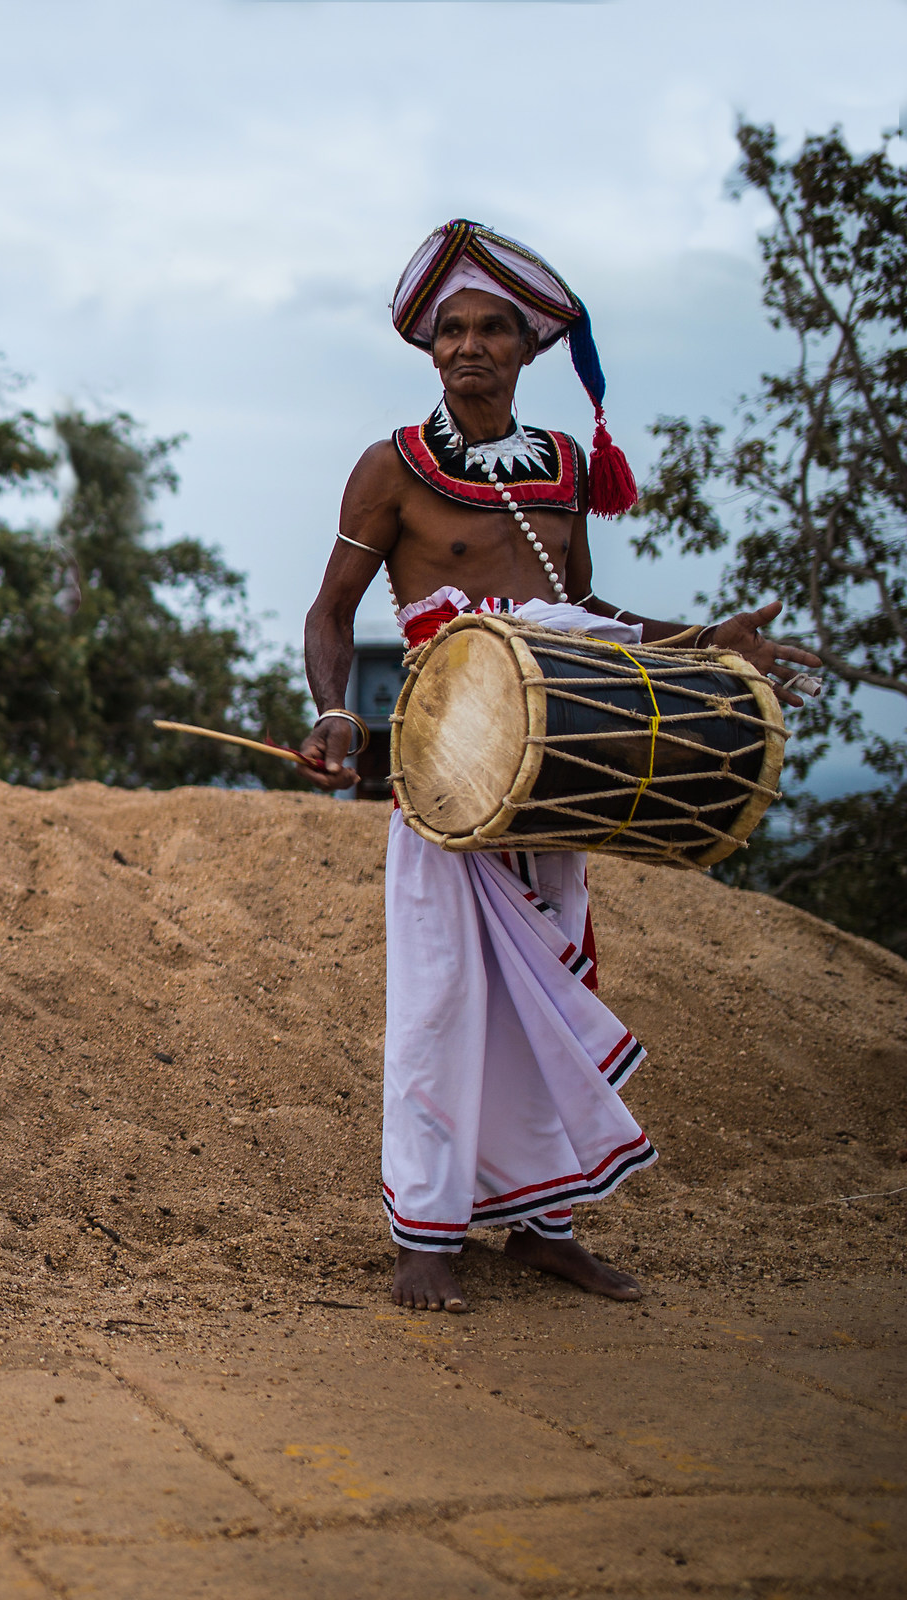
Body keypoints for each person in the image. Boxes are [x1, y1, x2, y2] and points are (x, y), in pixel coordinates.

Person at [299, 220, 820, 1314]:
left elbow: (583, 615)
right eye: (453, 331)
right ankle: (427, 1235)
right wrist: (337, 714)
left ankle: (545, 1224)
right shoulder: (390, 467)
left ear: (529, 350)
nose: (470, 347)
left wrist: (703, 640)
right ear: (429, 350)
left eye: (493, 330)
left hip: (551, 767)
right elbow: (332, 613)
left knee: (555, 987)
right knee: (441, 1000)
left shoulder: (565, 471)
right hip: (446, 771)